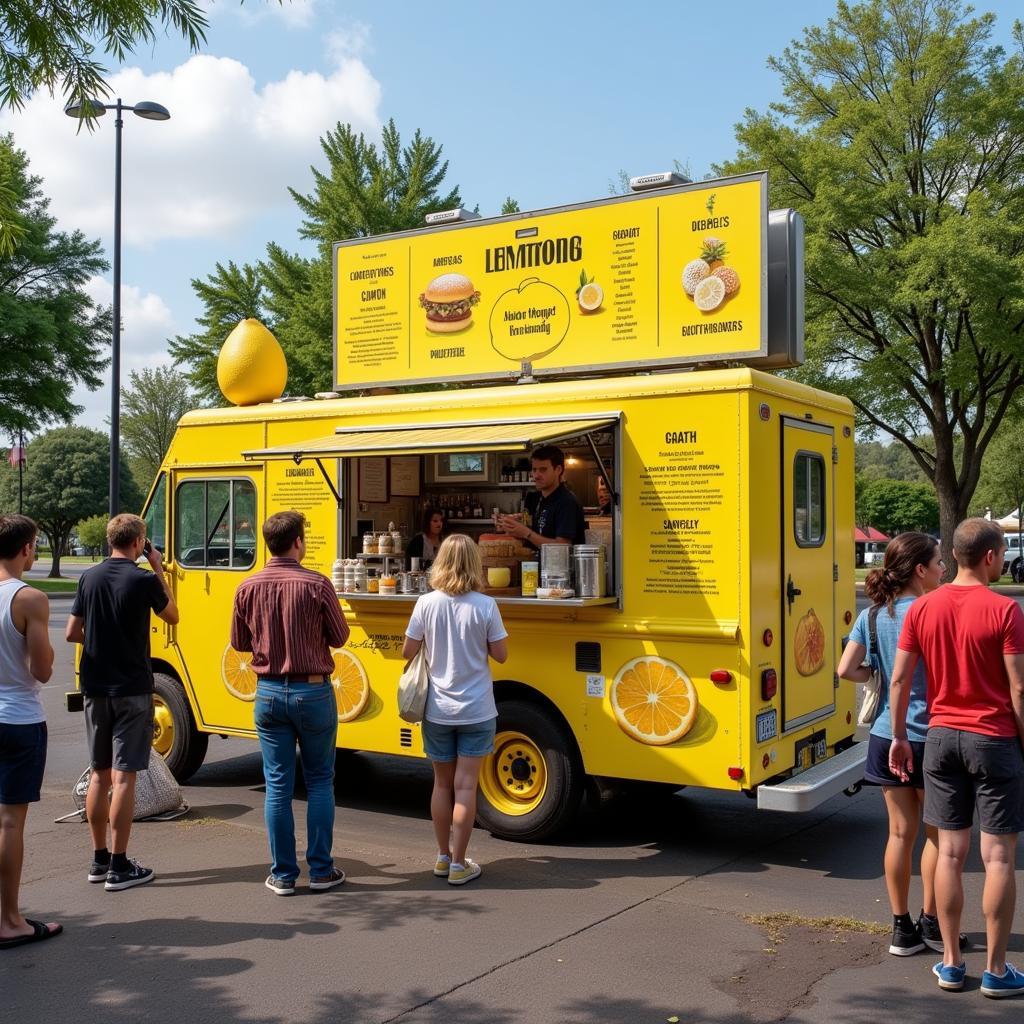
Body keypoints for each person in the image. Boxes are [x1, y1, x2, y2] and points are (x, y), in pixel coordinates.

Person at [889, 518, 1024, 997]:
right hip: (993, 738)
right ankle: (995, 970)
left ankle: (949, 963)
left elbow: (901, 680)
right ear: (989, 557)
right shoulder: (1005, 610)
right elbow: (1019, 687)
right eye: (1003, 553)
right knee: (998, 857)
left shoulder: (923, 608)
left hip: (941, 737)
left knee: (948, 851)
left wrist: (901, 736)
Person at [838, 532, 960, 956]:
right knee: (938, 836)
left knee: (898, 833)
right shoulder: (935, 611)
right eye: (940, 562)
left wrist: (877, 674)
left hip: (886, 735)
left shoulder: (872, 616)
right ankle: (931, 922)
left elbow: (845, 669)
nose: (945, 569)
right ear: (921, 570)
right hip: (930, 734)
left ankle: (900, 928)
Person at [231, 510, 350, 896]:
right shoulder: (317, 584)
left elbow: (239, 643)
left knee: (278, 785)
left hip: (267, 692)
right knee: (319, 781)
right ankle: (320, 870)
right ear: (298, 541)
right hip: (313, 691)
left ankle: (283, 874)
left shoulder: (247, 587)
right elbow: (340, 636)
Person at [65, 514, 178, 892]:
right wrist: (159, 567)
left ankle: (97, 859)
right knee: (124, 776)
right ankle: (119, 863)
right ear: (139, 543)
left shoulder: (89, 577)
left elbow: (71, 632)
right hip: (132, 687)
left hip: (95, 686)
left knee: (99, 773)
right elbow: (172, 615)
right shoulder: (143, 579)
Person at [402, 534, 508, 886]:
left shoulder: (426, 603)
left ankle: (443, 857)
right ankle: (461, 864)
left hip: (438, 711)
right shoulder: (485, 606)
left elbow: (407, 651)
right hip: (477, 709)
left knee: (441, 785)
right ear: (475, 564)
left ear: (440, 563)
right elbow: (501, 654)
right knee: (466, 789)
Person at [0, 515, 61, 948]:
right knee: (9, 823)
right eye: (36, 545)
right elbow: (43, 669)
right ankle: (9, 920)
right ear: (25, 548)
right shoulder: (29, 599)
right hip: (18, 718)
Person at [495, 444, 585, 549]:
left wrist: (526, 533)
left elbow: (563, 547)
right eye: (534, 470)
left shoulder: (566, 502)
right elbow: (535, 536)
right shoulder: (537, 498)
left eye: (543, 470)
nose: (536, 475)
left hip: (559, 565)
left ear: (558, 470)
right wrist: (510, 526)